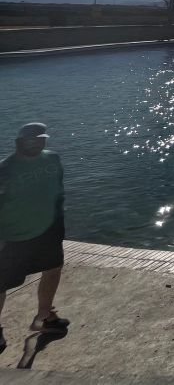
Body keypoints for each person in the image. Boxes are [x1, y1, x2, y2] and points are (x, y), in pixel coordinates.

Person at [0, 123, 70, 353]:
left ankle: (44, 317)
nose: (36, 142)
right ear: (19, 141)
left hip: (49, 231)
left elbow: (57, 191)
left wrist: (57, 221)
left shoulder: (52, 159)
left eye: (40, 138)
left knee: (53, 269)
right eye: (30, 139)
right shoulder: (5, 170)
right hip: (13, 237)